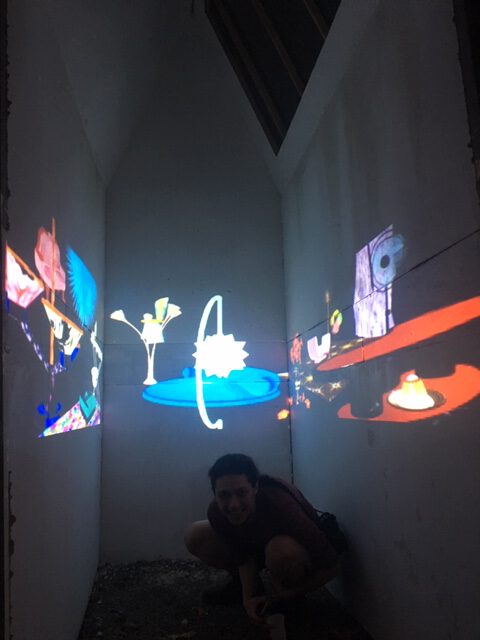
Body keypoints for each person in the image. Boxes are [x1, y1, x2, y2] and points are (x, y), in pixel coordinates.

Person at [184, 453, 339, 626]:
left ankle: (292, 597)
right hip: (256, 548)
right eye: (224, 495)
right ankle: (245, 587)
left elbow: (333, 565)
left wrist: (290, 592)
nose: (233, 505)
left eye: (241, 493)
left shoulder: (281, 506)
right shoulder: (216, 512)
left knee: (279, 549)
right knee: (196, 535)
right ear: (214, 494)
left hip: (289, 549)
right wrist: (249, 598)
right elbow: (241, 556)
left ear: (255, 488)